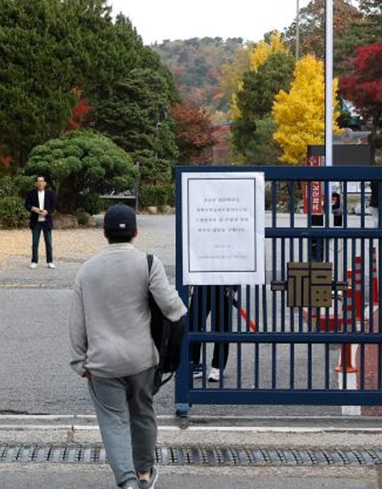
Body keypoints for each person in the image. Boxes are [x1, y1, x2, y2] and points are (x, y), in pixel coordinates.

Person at [70, 204, 186, 489]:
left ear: (104, 234)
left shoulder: (86, 271)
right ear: (135, 232)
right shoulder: (148, 263)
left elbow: (77, 321)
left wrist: (78, 361)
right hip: (141, 359)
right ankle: (145, 473)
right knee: (143, 414)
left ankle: (127, 481)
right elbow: (172, 308)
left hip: (103, 363)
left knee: (113, 422)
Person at [188, 285, 236, 383]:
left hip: (223, 282)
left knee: (221, 326)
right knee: (193, 323)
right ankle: (193, 363)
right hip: (202, 282)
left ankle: (218, 366)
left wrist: (234, 287)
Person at [25, 175, 57, 268]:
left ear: (45, 183)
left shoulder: (50, 193)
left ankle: (49, 261)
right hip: (36, 221)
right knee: (35, 242)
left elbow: (53, 205)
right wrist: (33, 209)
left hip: (46, 221)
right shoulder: (32, 193)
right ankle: (34, 261)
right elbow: (27, 204)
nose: (40, 183)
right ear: (36, 183)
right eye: (38, 181)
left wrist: (47, 211)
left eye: (42, 181)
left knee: (48, 242)